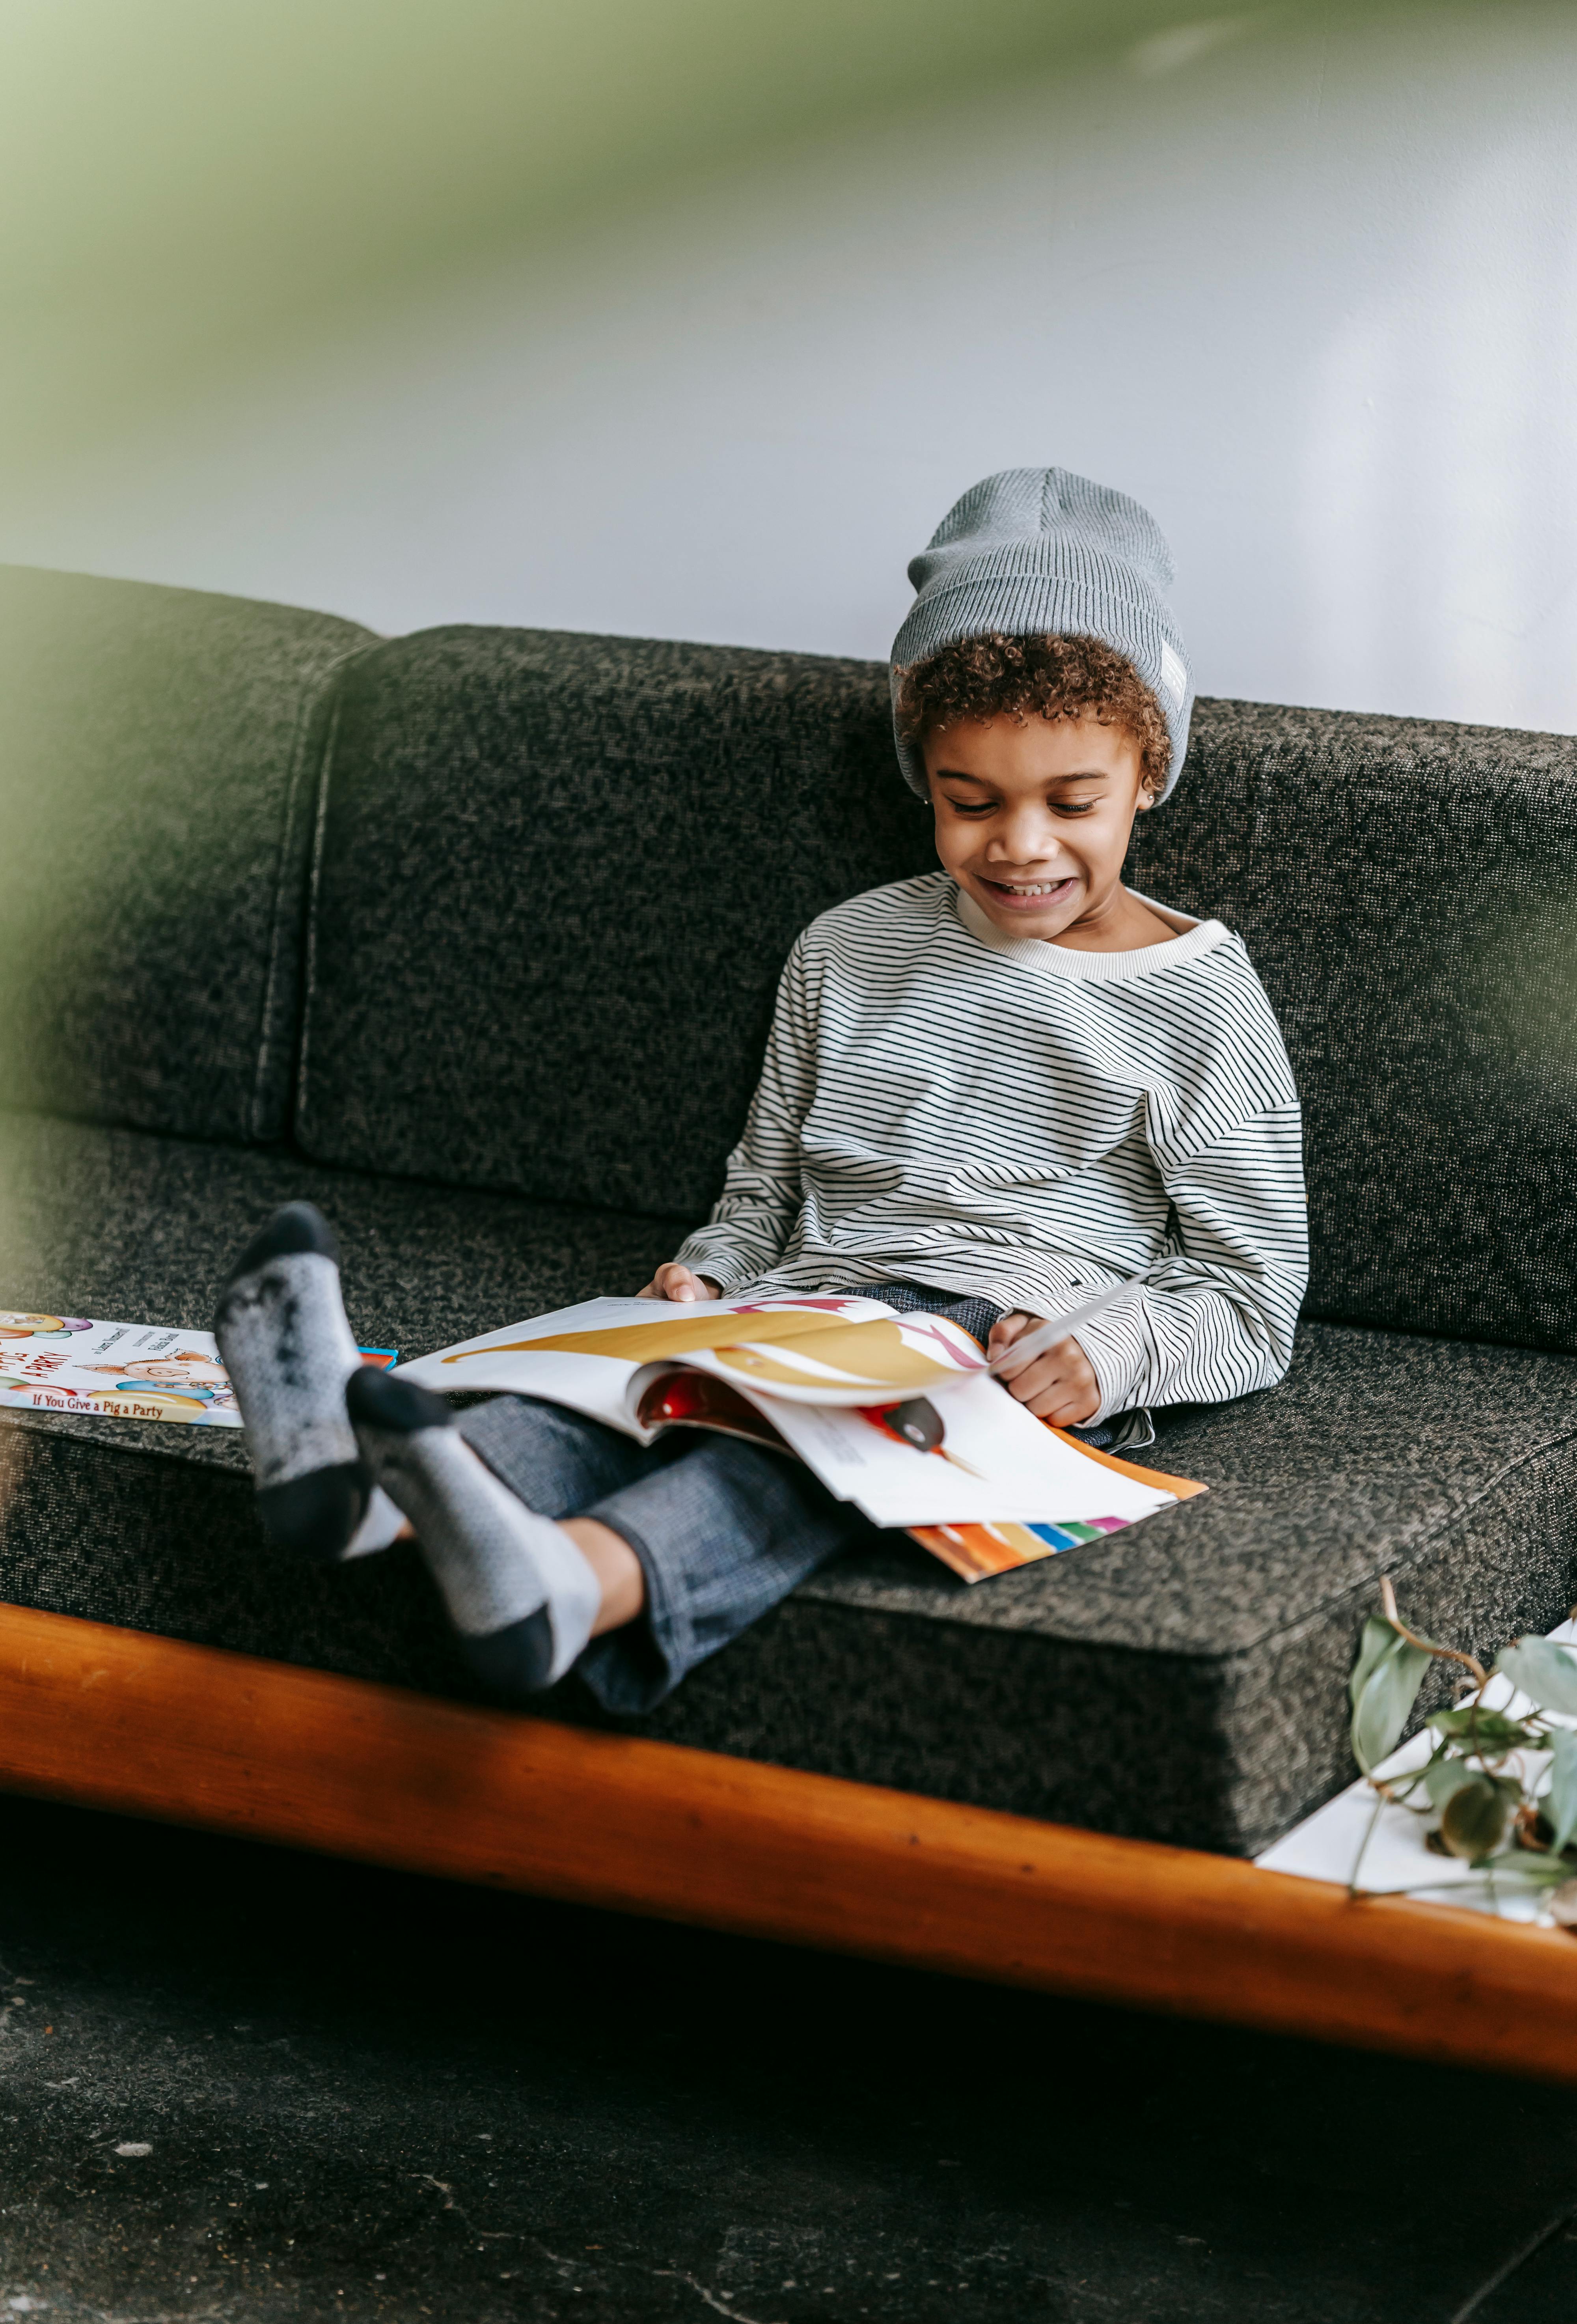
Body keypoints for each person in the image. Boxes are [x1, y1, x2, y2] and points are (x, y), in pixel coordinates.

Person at [216, 468, 1307, 1714]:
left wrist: (1110, 1356)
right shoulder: (846, 949)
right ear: (922, 776)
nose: (1020, 844)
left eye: (1074, 804)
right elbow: (765, 1185)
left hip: (998, 1347)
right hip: (796, 1307)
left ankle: (572, 1585)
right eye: (971, 802)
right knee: (598, 1403)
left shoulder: (1198, 996)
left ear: (1149, 775)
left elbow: (1254, 1293)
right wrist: (712, 1272)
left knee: (805, 1452)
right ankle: (363, 1494)